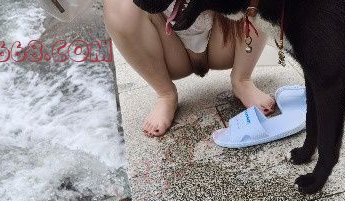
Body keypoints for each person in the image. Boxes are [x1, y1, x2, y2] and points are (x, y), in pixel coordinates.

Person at [104, 0, 275, 137]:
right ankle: (166, 93)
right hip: (170, 47)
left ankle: (242, 79)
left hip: (224, 37)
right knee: (118, 5)